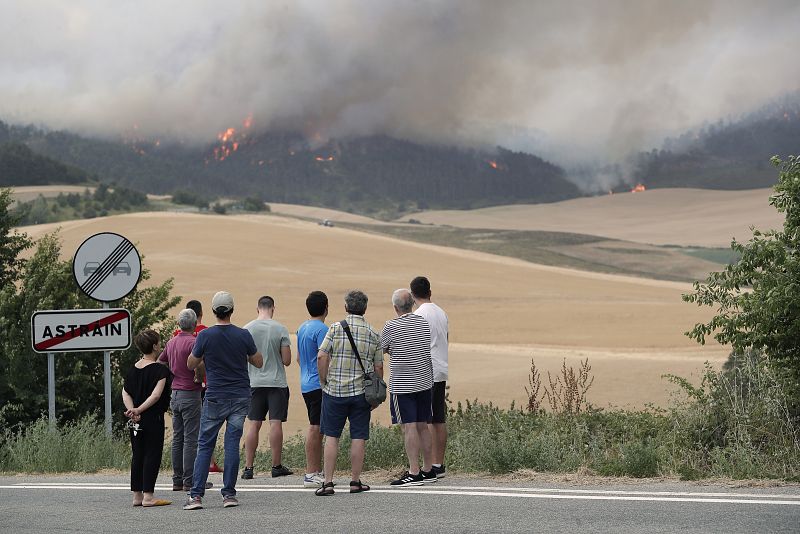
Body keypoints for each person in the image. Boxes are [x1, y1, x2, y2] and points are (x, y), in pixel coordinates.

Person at [184, 291, 263, 510]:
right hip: (240, 396)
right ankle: (229, 494)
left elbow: (191, 363)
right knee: (231, 446)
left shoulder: (206, 336)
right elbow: (258, 362)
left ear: (213, 311)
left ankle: (196, 496)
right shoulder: (243, 335)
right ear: (232, 310)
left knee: (205, 445)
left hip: (215, 395)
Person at [315, 290, 383, 496]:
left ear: (346, 307)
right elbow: (378, 367)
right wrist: (375, 392)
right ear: (365, 308)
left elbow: (321, 356)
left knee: (332, 436)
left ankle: (327, 482)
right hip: (361, 393)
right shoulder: (373, 333)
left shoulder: (335, 328)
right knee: (358, 436)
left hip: (335, 391)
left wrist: (324, 379)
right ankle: (355, 481)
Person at [381, 288, 435, 487]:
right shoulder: (423, 322)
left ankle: (414, 471)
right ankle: (429, 469)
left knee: (409, 426)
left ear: (395, 307)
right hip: (424, 380)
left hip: (403, 384)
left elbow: (382, 348)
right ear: (412, 304)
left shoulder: (390, 326)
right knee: (423, 425)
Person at [158, 308, 210, 492]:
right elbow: (200, 364)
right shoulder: (194, 342)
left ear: (178, 324)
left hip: (175, 394)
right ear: (195, 324)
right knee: (191, 439)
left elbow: (160, 362)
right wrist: (198, 376)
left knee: (178, 438)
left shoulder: (171, 343)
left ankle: (177, 480)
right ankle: (190, 480)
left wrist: (171, 376)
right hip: (191, 393)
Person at [242, 296, 293, 479]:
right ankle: (276, 465)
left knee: (253, 424)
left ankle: (248, 468)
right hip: (276, 382)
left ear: (257, 309)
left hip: (253, 382)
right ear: (273, 308)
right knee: (275, 422)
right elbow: (286, 360)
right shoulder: (280, 329)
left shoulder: (246, 329)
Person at [123, 329, 172, 507]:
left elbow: (125, 392)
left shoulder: (133, 369)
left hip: (134, 420)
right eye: (158, 342)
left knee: (138, 455)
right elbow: (156, 396)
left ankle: (137, 496)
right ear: (154, 346)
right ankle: (148, 496)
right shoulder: (160, 370)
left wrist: (132, 411)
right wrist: (140, 410)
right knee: (152, 454)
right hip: (152, 419)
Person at [410, 276, 449, 478]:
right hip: (441, 367)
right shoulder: (441, 313)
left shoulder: (418, 315)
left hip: (427, 370)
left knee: (423, 421)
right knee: (438, 419)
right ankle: (438, 463)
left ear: (412, 295)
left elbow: (417, 344)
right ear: (430, 292)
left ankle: (428, 466)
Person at [177, 299, 222, 474]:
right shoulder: (207, 332)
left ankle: (182, 467)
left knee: (182, 432)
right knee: (207, 425)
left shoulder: (177, 334)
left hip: (181, 386)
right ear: (200, 314)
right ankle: (209, 462)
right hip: (204, 384)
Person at [296, 291, 329, 488]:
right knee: (316, 427)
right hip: (318, 384)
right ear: (326, 307)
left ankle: (314, 470)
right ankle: (311, 472)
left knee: (316, 426)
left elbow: (300, 358)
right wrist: (325, 379)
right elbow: (322, 357)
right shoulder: (323, 329)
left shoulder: (302, 327)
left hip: (305, 382)